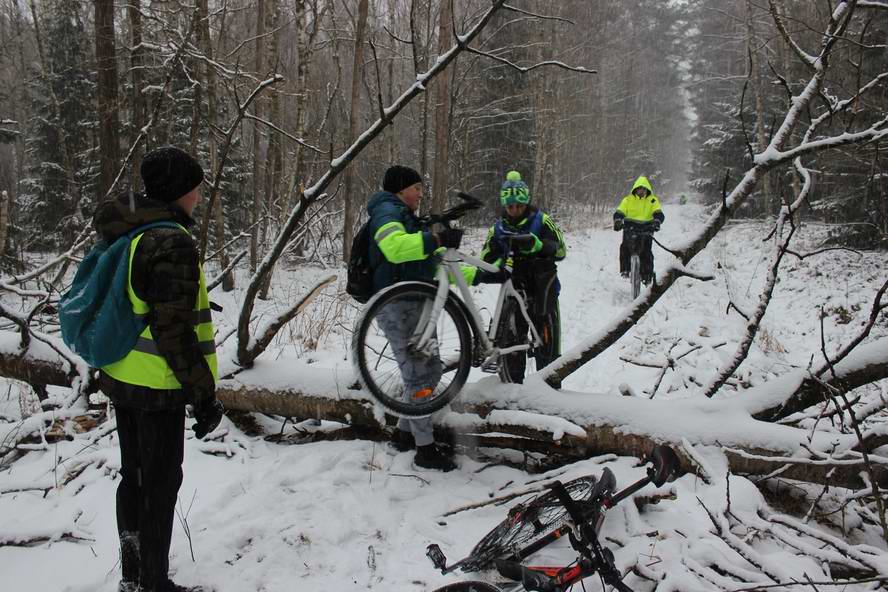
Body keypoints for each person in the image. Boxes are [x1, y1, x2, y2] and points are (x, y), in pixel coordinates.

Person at [94, 146, 224, 592]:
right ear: (178, 192)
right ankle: (152, 582)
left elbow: (143, 300)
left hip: (123, 377)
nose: (198, 198)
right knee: (161, 483)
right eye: (194, 190)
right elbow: (173, 331)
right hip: (158, 387)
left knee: (134, 476)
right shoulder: (172, 240)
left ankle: (133, 573)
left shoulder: (132, 231)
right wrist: (203, 394)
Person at [366, 165, 504, 471]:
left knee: (420, 373)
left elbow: (434, 268)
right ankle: (425, 450)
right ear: (401, 189)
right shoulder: (387, 212)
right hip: (399, 304)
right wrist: (435, 239)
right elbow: (394, 248)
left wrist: (480, 275)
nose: (420, 194)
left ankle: (404, 435)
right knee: (421, 377)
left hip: (414, 303)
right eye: (417, 188)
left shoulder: (403, 215)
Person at [480, 171, 566, 386]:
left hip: (543, 289)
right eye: (510, 207)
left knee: (548, 348)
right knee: (512, 343)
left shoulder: (542, 221)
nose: (515, 210)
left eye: (519, 205)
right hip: (514, 291)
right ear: (504, 205)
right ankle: (513, 390)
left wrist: (538, 245)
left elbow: (561, 251)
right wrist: (502, 259)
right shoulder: (497, 229)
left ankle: (551, 389)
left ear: (526, 202)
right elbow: (486, 259)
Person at [613, 175, 664, 284]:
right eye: (640, 189)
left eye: (644, 189)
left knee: (647, 252)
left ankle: (647, 276)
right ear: (635, 189)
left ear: (647, 189)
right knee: (625, 248)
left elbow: (659, 214)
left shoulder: (653, 200)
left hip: (647, 228)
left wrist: (657, 222)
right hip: (630, 228)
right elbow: (619, 212)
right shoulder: (627, 200)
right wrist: (617, 220)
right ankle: (625, 269)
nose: (642, 191)